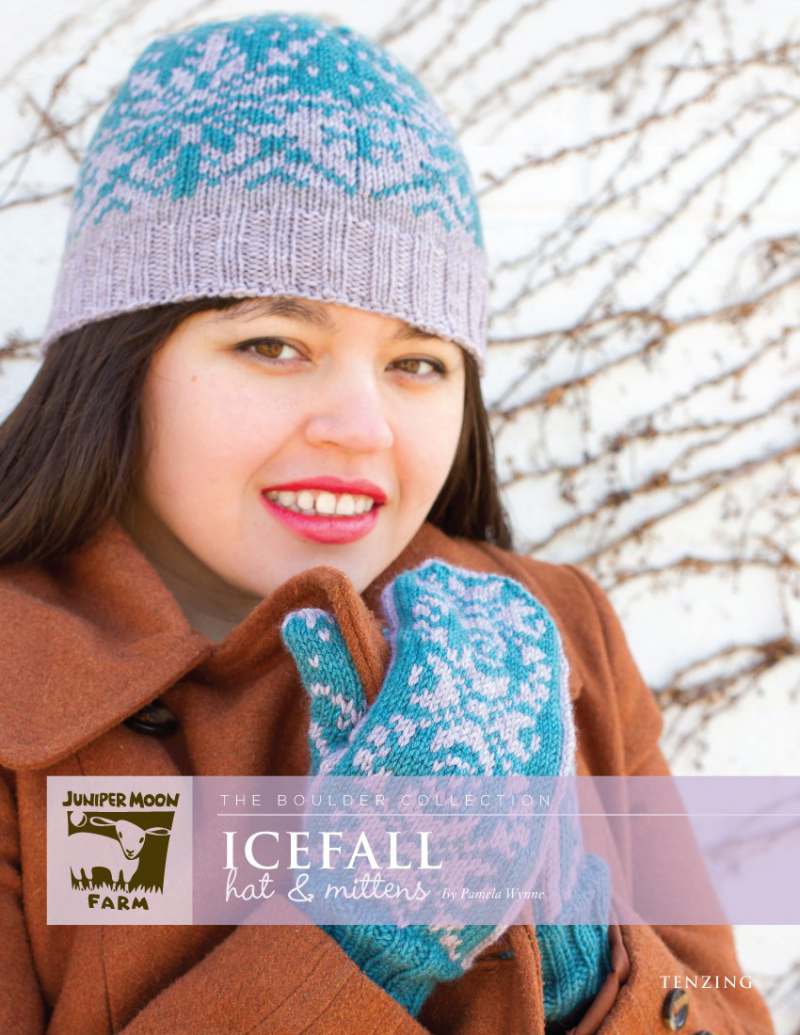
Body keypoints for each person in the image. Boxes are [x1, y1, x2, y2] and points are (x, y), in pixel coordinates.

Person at [0, 11, 775, 1035]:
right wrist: (354, 942)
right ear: (120, 362)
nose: (362, 429)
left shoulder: (560, 635)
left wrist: (587, 973)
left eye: (417, 362)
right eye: (273, 344)